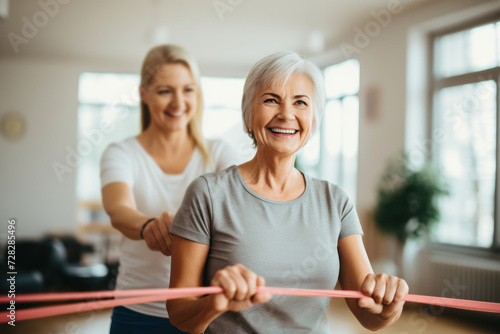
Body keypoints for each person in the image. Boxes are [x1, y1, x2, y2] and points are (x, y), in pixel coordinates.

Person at [167, 51, 409, 333]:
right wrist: (215, 303)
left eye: (300, 103)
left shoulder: (336, 202)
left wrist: (389, 308)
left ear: (313, 119)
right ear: (248, 114)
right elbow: (179, 313)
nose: (286, 114)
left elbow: (369, 316)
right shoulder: (208, 194)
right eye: (271, 100)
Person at [100, 44, 238, 334]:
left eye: (188, 90)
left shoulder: (219, 152)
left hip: (202, 312)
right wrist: (148, 225)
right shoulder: (121, 153)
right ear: (143, 94)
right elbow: (118, 209)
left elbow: (242, 206)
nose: (178, 103)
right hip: (137, 310)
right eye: (165, 91)